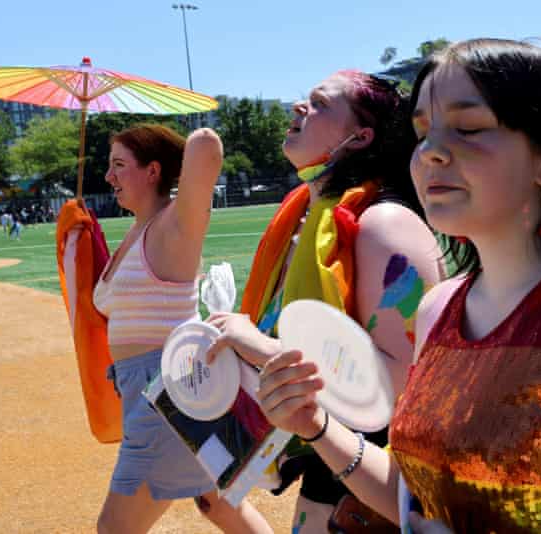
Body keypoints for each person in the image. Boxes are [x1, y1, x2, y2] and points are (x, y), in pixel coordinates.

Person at [256, 39, 541, 533]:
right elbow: (412, 495)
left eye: (468, 128)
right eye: (423, 131)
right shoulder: (438, 308)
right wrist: (315, 425)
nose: (432, 152)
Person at [204, 70, 444, 532]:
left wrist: (256, 344)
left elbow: (403, 382)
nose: (299, 107)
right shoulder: (306, 216)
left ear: (360, 136)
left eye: (319, 103)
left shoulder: (383, 224)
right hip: (331, 462)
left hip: (375, 477)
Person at [91, 124, 272, 534]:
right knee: (218, 504)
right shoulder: (135, 231)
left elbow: (206, 146)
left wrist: (178, 139)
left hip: (168, 393)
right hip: (153, 388)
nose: (109, 177)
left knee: (114, 528)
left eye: (119, 165)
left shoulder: (174, 225)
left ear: (153, 172)